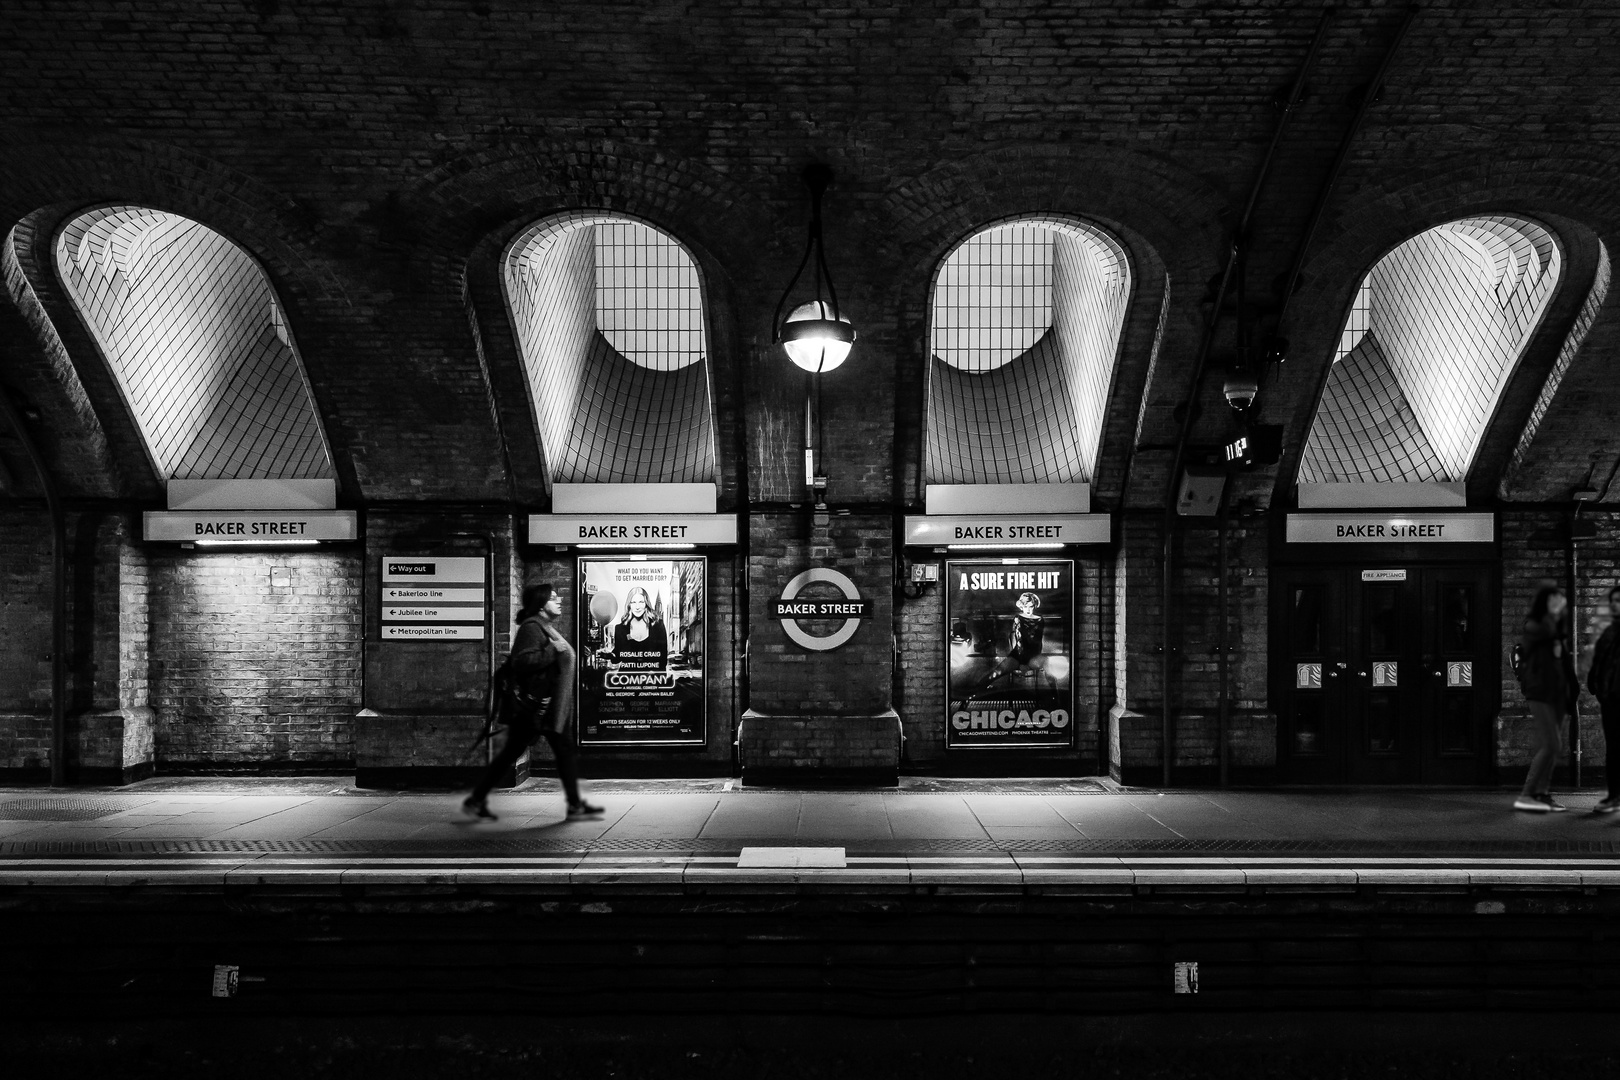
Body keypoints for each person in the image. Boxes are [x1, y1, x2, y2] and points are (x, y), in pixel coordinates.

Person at [463, 583, 603, 822]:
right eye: (553, 597)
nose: (558, 600)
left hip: (552, 708)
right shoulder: (532, 628)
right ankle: (476, 799)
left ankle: (575, 804)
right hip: (538, 708)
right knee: (512, 753)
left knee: (561, 752)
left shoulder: (545, 627)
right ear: (540, 605)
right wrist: (552, 651)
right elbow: (522, 661)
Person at [1514, 584, 1580, 813]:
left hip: (1556, 695)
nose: (1560, 603)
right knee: (1552, 744)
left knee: (1550, 745)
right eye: (1555, 600)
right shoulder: (1538, 628)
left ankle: (1540, 793)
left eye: (1561, 600)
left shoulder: (1552, 628)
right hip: (1543, 694)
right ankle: (1531, 794)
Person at [1586, 585, 1620, 814]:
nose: (1615, 605)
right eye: (1614, 601)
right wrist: (1596, 686)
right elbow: (1599, 662)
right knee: (1614, 749)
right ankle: (1614, 797)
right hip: (1611, 699)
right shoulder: (1610, 631)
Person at [975, 591, 1045, 694]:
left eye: (1031, 606)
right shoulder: (1018, 618)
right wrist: (1022, 662)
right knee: (995, 674)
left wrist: (1037, 657)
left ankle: (1057, 700)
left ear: (1034, 606)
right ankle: (973, 693)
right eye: (1026, 607)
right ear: (1022, 607)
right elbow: (1019, 640)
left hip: (1034, 655)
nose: (1029, 609)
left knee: (1051, 672)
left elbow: (1038, 641)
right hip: (1018, 655)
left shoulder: (1040, 620)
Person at [600, 586, 669, 671]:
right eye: (633, 602)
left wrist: (658, 680)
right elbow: (617, 658)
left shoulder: (658, 626)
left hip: (652, 680)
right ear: (629, 605)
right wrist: (609, 655)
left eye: (641, 602)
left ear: (646, 604)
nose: (637, 607)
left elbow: (663, 660)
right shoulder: (620, 628)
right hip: (627, 679)